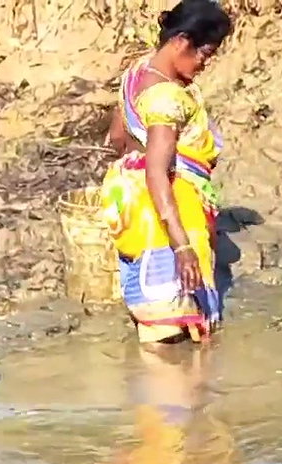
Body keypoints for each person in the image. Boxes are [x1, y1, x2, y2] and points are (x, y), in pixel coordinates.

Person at [101, 0, 231, 347]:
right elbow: (158, 174)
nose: (205, 63)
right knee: (174, 332)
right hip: (166, 205)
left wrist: (137, 159)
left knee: (153, 308)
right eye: (204, 52)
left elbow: (116, 138)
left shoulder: (139, 70)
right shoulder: (166, 98)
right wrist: (182, 245)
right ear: (180, 41)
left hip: (134, 201)